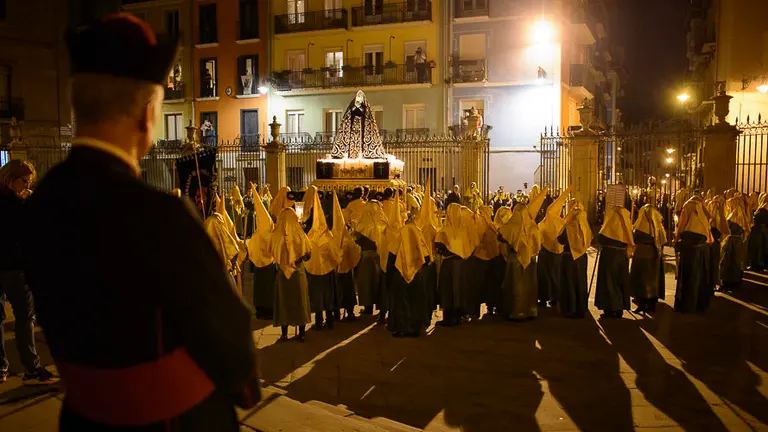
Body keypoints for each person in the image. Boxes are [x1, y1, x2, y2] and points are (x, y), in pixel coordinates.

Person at [21, 14, 258, 431]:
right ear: (147, 114)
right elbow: (230, 336)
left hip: (82, 420)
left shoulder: (40, 202)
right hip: (172, 422)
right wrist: (242, 389)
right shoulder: (161, 217)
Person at [0, 160, 57, 385]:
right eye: (24, 182)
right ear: (11, 179)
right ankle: (31, 368)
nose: (26, 186)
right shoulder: (17, 205)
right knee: (24, 319)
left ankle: (1, 367)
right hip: (14, 267)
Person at [271, 208, 312, 341]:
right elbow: (308, 255)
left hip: (283, 273)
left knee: (284, 301)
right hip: (298, 272)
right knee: (299, 300)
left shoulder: (276, 234)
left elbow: (270, 252)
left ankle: (284, 333)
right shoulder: (300, 234)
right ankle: (302, 333)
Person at [435, 203, 479, 326]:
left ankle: (449, 318)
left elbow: (439, 247)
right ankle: (459, 315)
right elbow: (473, 244)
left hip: (449, 264)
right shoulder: (464, 230)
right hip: (462, 264)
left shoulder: (445, 230)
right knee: (460, 289)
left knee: (448, 290)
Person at [302, 186, 340, 330]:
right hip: (327, 272)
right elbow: (335, 255)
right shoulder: (328, 237)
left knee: (317, 296)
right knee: (327, 295)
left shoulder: (309, 238)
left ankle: (318, 320)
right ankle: (329, 319)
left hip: (314, 272)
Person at [498, 203, 542, 321]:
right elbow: (538, 244)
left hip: (515, 258)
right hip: (530, 259)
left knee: (516, 286)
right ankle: (530, 310)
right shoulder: (533, 225)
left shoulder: (512, 225)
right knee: (529, 285)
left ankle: (516, 311)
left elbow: (500, 236)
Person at [387, 219, 431, 337]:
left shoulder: (399, 238)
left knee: (401, 302)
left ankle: (402, 328)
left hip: (400, 275)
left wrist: (389, 276)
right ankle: (415, 328)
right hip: (417, 274)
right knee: (416, 301)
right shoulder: (419, 238)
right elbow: (427, 258)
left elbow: (391, 257)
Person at [674, 197, 714, 313]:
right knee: (700, 279)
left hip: (691, 255)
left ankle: (688, 305)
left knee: (690, 278)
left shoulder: (690, 227)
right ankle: (699, 305)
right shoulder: (703, 224)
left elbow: (681, 229)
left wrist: (677, 239)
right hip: (701, 254)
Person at [595, 207, 634, 318]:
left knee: (609, 282)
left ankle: (610, 308)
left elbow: (601, 238)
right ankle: (619, 307)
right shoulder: (626, 226)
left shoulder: (611, 224)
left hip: (609, 256)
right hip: (622, 257)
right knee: (620, 281)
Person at [557, 199, 592, 318]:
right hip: (581, 257)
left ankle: (571, 308)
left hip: (569, 257)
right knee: (580, 281)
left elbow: (560, 239)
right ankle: (581, 307)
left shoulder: (569, 226)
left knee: (570, 282)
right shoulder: (585, 226)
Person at [630, 204, 667, 314]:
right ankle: (651, 305)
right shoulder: (658, 226)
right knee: (651, 280)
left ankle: (642, 304)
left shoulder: (642, 226)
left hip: (642, 254)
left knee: (641, 280)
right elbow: (663, 240)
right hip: (654, 254)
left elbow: (634, 239)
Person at [537, 186, 571, 308]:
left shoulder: (545, 222)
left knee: (546, 277)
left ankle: (544, 298)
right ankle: (554, 298)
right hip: (555, 254)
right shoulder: (561, 222)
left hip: (546, 253)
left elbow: (538, 236)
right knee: (554, 276)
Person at [353, 200, 388, 316]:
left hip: (367, 258)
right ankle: (381, 310)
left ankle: (368, 308)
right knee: (379, 283)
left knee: (367, 283)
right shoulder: (384, 223)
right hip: (381, 257)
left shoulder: (363, 224)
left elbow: (356, 240)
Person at [248, 186, 277, 320]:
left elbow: (251, 250)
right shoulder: (271, 234)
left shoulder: (256, 235)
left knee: (260, 288)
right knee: (268, 288)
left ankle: (260, 309)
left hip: (259, 267)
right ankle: (268, 309)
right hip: (269, 266)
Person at [331, 193, 361, 322]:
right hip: (346, 269)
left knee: (338, 291)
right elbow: (355, 252)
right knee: (347, 291)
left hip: (337, 270)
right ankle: (349, 312)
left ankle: (336, 313)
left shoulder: (330, 238)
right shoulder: (348, 239)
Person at [470, 205, 503, 317]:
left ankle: (475, 310)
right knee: (489, 284)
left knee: (477, 286)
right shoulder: (490, 225)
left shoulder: (478, 224)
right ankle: (490, 306)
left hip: (479, 258)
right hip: (489, 258)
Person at [720, 196, 748, 291]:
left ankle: (727, 280)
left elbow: (725, 228)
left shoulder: (732, 216)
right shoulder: (741, 214)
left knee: (728, 260)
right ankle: (735, 280)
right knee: (736, 261)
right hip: (738, 241)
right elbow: (746, 228)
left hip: (730, 241)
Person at [748, 193, 768, 271]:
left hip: (759, 232)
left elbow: (757, 219)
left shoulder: (762, 209)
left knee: (758, 249)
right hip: (762, 232)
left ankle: (757, 265)